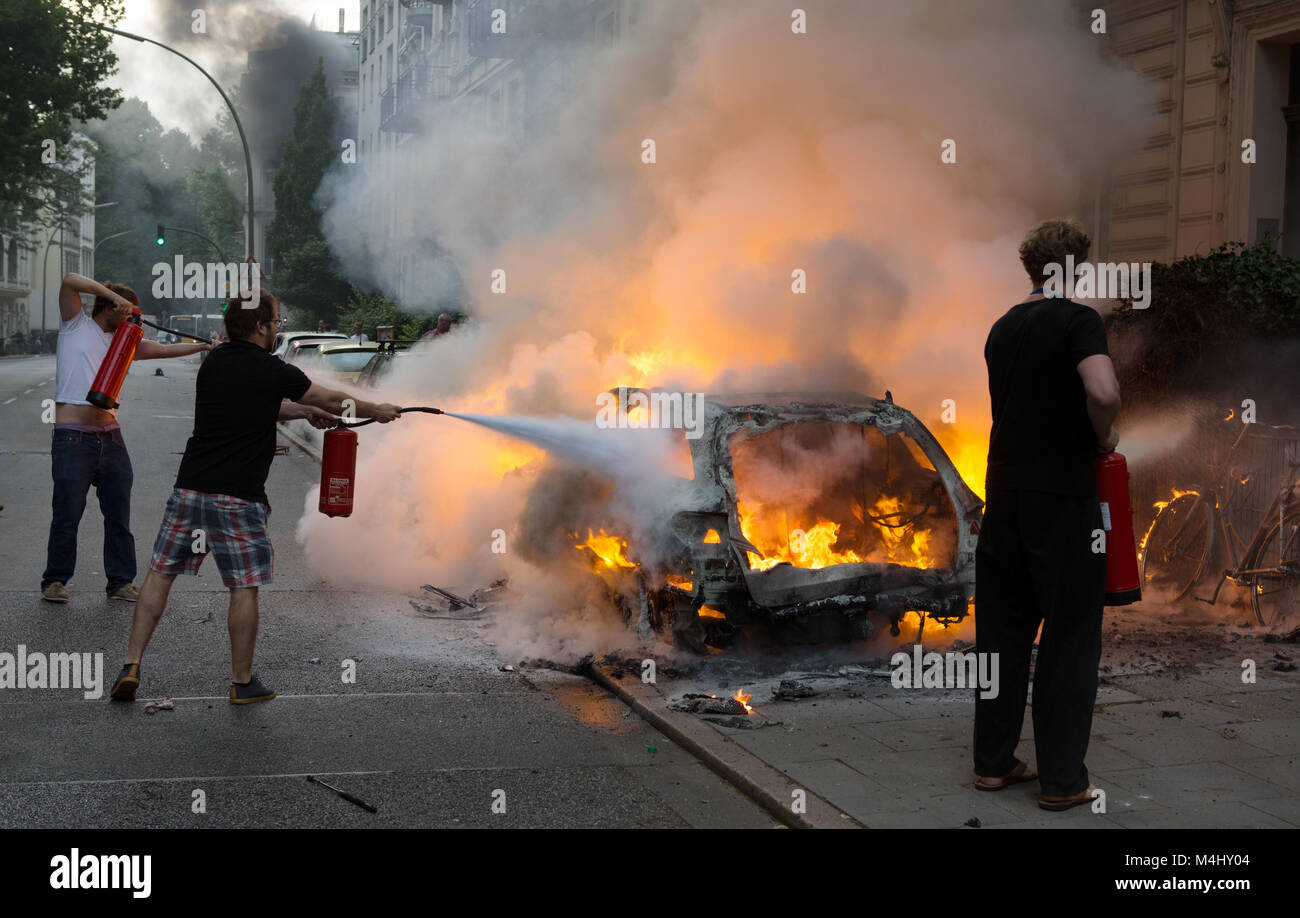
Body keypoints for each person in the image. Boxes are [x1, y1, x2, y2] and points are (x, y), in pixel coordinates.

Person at [109, 289, 401, 704]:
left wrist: (300, 411)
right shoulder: (272, 369)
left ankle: (131, 664)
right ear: (262, 326)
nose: (278, 328)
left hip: (190, 488)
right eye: (277, 322)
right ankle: (242, 682)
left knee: (159, 574)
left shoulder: (213, 364)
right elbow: (333, 399)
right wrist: (378, 408)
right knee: (243, 587)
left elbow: (258, 405)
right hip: (238, 497)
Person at [972, 219, 1121, 811]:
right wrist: (1104, 438)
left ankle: (993, 764)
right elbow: (1103, 392)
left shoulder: (1003, 327)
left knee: (1003, 635)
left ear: (1031, 268)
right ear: (1075, 267)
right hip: (1063, 501)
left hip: (1004, 499)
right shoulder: (1079, 321)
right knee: (1070, 636)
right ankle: (1063, 781)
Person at [41, 275, 210, 604]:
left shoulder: (123, 343)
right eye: (128, 311)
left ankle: (120, 582)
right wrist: (110, 293)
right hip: (72, 438)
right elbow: (69, 280)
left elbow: (161, 349)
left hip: (110, 436)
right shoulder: (75, 325)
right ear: (110, 306)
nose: (133, 318)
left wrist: (204, 345)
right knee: (67, 513)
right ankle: (55, 580)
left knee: (119, 515)